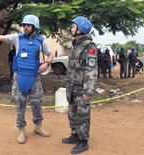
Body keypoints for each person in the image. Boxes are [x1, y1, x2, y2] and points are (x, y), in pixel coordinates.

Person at [0, 14, 54, 144]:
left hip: (35, 77)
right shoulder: (17, 38)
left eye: (28, 25)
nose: (25, 27)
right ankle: (21, 129)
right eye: (24, 25)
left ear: (35, 27)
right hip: (20, 76)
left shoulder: (41, 41)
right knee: (20, 104)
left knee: (37, 103)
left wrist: (47, 63)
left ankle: (38, 127)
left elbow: (50, 54)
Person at [62, 16, 97, 154]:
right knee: (72, 113)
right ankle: (75, 135)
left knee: (82, 115)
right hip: (72, 87)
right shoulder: (76, 45)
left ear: (81, 29)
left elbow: (91, 70)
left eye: (73, 26)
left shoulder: (89, 47)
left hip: (82, 88)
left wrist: (88, 91)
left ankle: (83, 141)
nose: (71, 28)